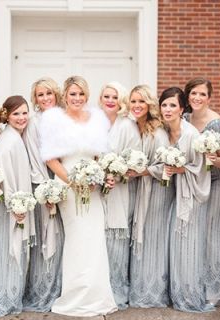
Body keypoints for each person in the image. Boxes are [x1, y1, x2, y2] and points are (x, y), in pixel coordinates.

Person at [39, 76, 117, 316]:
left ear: (87, 96)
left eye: (81, 94)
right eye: (73, 94)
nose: (77, 98)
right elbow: (51, 159)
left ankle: (97, 295)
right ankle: (76, 295)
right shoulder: (54, 120)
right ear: (65, 96)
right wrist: (73, 181)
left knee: (94, 238)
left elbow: (98, 155)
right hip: (69, 187)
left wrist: (100, 176)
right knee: (78, 238)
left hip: (92, 188)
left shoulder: (96, 119)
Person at [0, 95, 35, 317]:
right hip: (7, 207)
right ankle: (3, 299)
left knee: (12, 253)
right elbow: (4, 180)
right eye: (16, 114)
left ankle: (10, 297)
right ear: (7, 116)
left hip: (13, 205)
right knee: (6, 252)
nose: (21, 117)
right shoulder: (7, 142)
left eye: (24, 112)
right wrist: (15, 206)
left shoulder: (16, 137)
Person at [184, 78, 220, 306]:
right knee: (200, 233)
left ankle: (217, 291)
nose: (197, 98)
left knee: (215, 234)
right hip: (199, 182)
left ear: (209, 97)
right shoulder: (185, 119)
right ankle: (200, 283)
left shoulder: (217, 125)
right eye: (193, 93)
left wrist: (215, 159)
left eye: (202, 94)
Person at [160, 87, 213, 312]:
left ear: (182, 109)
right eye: (164, 105)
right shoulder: (163, 131)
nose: (168, 109)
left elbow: (201, 169)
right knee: (176, 246)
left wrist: (181, 169)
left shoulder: (190, 134)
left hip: (190, 198)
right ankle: (176, 292)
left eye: (173, 105)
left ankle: (190, 297)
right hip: (171, 198)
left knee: (188, 246)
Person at [127, 85, 173, 308]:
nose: (136, 106)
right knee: (140, 236)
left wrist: (142, 171)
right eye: (133, 101)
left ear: (149, 105)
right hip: (139, 190)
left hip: (156, 192)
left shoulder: (158, 132)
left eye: (141, 102)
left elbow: (164, 165)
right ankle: (139, 287)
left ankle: (152, 291)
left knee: (152, 237)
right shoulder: (134, 127)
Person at [22, 77, 65, 312]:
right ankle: (42, 291)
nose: (45, 98)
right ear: (35, 99)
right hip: (45, 187)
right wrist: (46, 189)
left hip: (66, 184)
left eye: (49, 93)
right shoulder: (33, 122)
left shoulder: (65, 117)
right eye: (40, 95)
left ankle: (61, 288)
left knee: (63, 239)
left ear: (56, 94)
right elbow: (34, 159)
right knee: (47, 239)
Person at [98, 81, 140, 309]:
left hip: (120, 189)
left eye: (115, 97)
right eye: (106, 96)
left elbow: (135, 161)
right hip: (97, 189)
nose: (110, 100)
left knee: (116, 240)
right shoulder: (95, 123)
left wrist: (119, 174)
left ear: (121, 101)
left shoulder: (127, 126)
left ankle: (116, 291)